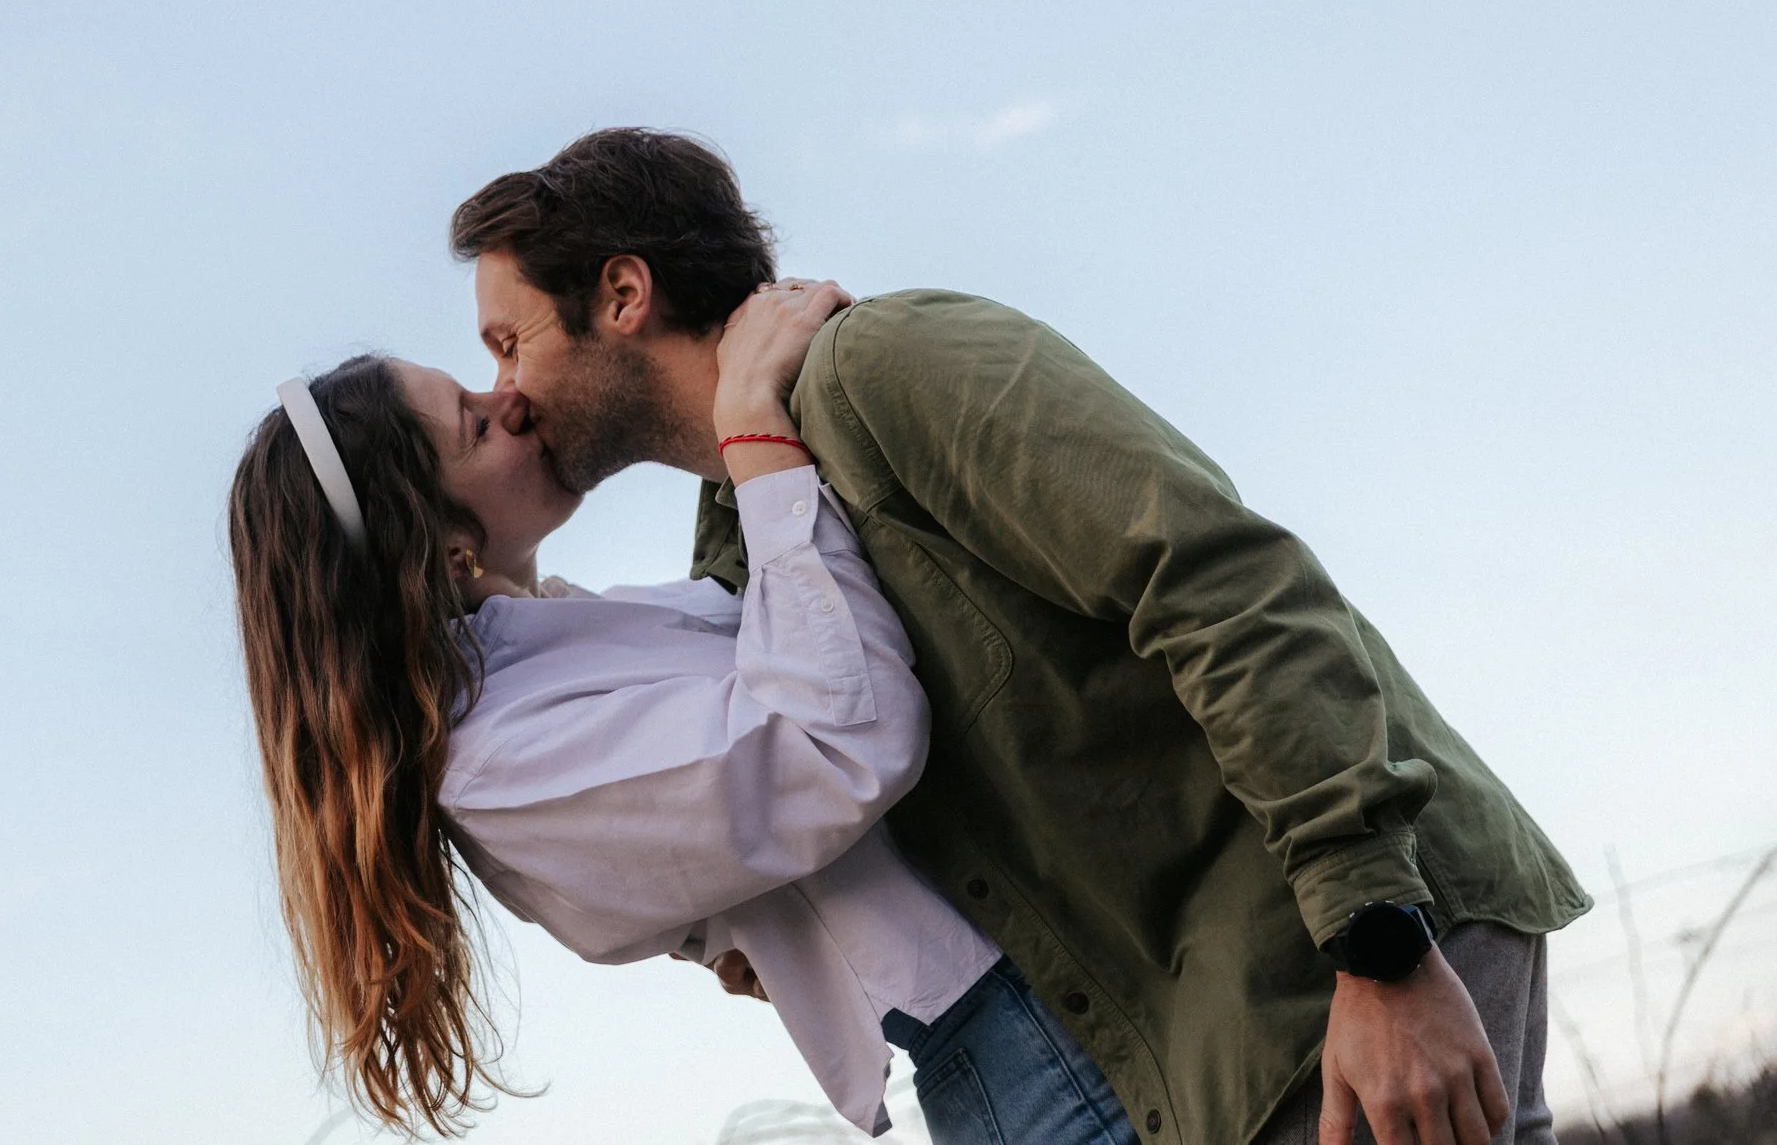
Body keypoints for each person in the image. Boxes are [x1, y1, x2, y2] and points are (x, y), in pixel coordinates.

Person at [448, 128, 1591, 1145]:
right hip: (1218, 1024)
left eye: (511, 339)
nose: (505, 389)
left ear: (623, 291)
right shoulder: (750, 534)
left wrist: (1377, 940)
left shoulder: (881, 366)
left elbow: (1221, 578)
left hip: (1343, 952)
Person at [228, 282, 1141, 1143]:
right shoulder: (499, 764)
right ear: (443, 543)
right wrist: (752, 433)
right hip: (1033, 1045)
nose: (507, 399)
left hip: (1075, 969)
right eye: (472, 424)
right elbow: (837, 744)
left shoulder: (566, 640)